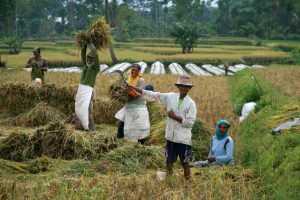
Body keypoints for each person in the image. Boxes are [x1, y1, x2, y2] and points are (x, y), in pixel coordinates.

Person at [128, 75, 197, 180]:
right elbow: (154, 95)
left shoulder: (191, 104)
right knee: (169, 160)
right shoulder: (171, 97)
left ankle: (188, 179)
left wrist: (174, 117)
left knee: (185, 162)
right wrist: (133, 87)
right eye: (182, 86)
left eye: (187, 87)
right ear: (178, 87)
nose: (184, 88)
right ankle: (169, 178)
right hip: (171, 137)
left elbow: (190, 123)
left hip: (183, 139)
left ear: (189, 88)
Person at [115, 64, 150, 144]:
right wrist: (119, 94)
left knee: (139, 125)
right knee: (122, 123)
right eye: (132, 70)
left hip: (138, 106)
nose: (134, 72)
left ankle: (141, 143)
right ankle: (119, 140)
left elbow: (138, 94)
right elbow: (124, 90)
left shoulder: (141, 80)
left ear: (139, 72)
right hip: (129, 106)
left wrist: (128, 92)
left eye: (136, 71)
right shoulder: (128, 79)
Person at [74, 43, 99, 131]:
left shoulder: (95, 67)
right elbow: (82, 55)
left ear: (94, 60)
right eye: (88, 58)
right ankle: (82, 126)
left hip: (88, 90)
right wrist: (84, 45)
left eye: (91, 58)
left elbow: (95, 54)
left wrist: (91, 44)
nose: (89, 59)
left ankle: (91, 129)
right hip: (81, 89)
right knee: (79, 108)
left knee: (87, 109)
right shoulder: (85, 65)